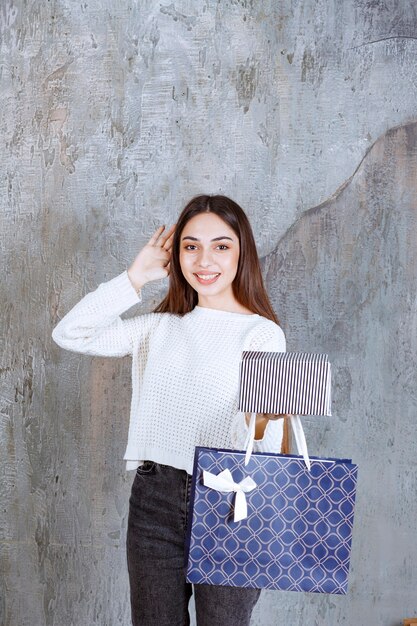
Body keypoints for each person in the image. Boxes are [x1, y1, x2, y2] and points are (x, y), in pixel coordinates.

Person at [51, 194, 289, 626]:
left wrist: (265, 418)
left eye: (221, 246)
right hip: (154, 500)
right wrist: (135, 277)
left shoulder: (262, 335)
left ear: (241, 254)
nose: (204, 259)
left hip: (231, 501)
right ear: (176, 255)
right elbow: (70, 333)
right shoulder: (159, 329)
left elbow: (262, 442)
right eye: (190, 245)